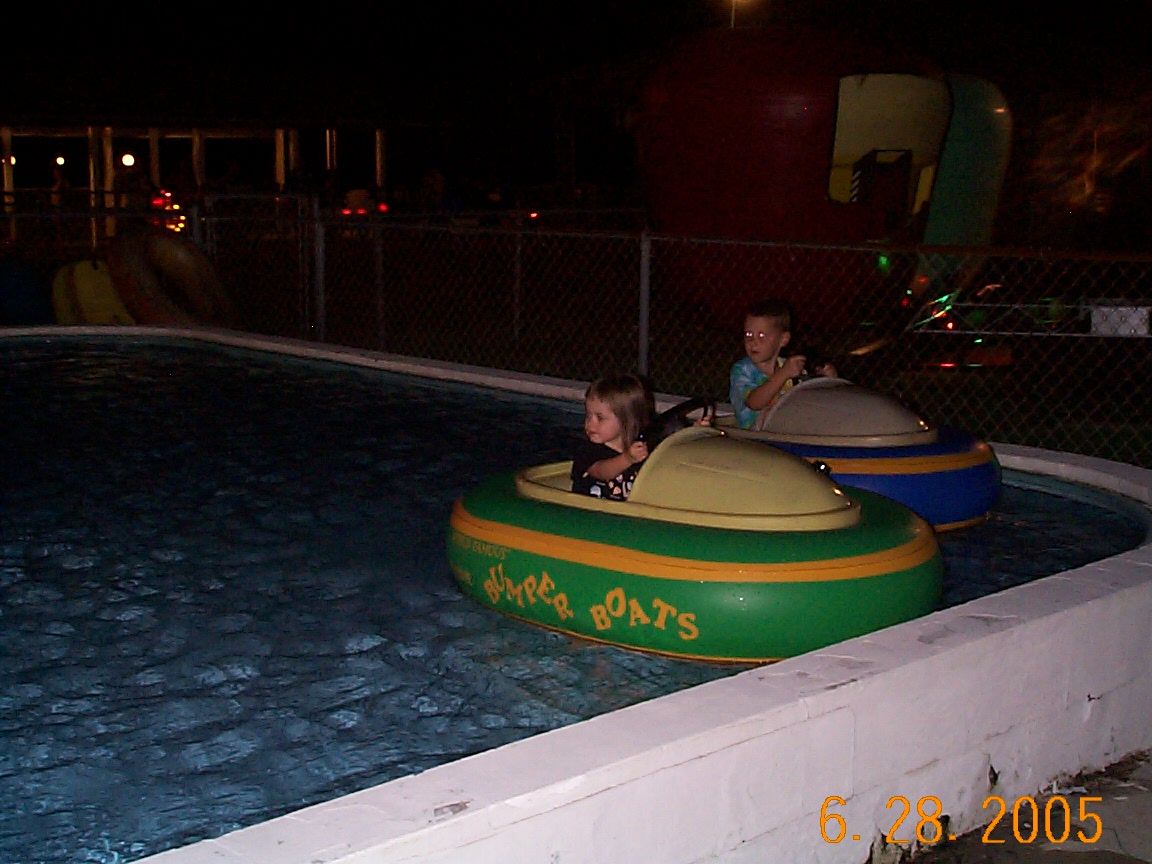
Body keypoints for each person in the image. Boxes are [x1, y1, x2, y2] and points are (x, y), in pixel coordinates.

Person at [729, 298, 837, 430]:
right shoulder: (742, 370)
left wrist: (829, 380)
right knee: (768, 414)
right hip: (753, 436)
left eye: (761, 336)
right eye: (748, 334)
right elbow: (754, 403)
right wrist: (783, 374)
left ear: (783, 339)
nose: (753, 341)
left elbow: (811, 398)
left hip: (786, 431)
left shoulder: (789, 367)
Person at [571, 373, 654, 500]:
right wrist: (627, 459)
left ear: (625, 420)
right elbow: (601, 472)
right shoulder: (587, 451)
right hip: (586, 509)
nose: (590, 424)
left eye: (600, 418)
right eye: (588, 415)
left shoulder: (639, 449)